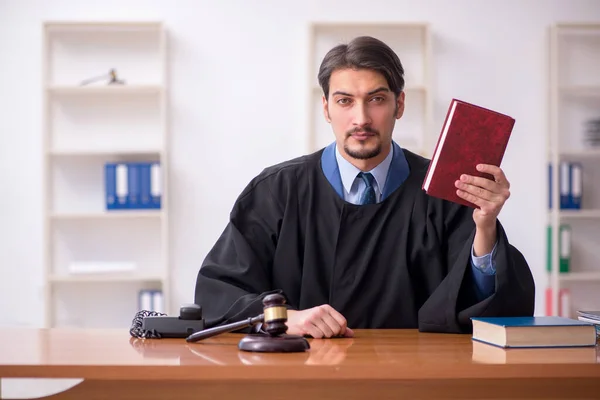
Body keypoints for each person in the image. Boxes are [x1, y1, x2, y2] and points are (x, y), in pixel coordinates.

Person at [194, 36, 535, 338]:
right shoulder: (277, 191)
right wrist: (285, 319)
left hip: (416, 378)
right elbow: (218, 293)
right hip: (300, 376)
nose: (361, 119)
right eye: (345, 101)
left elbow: (490, 307)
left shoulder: (447, 191)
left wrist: (486, 227)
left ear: (399, 105)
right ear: (326, 108)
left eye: (376, 99)